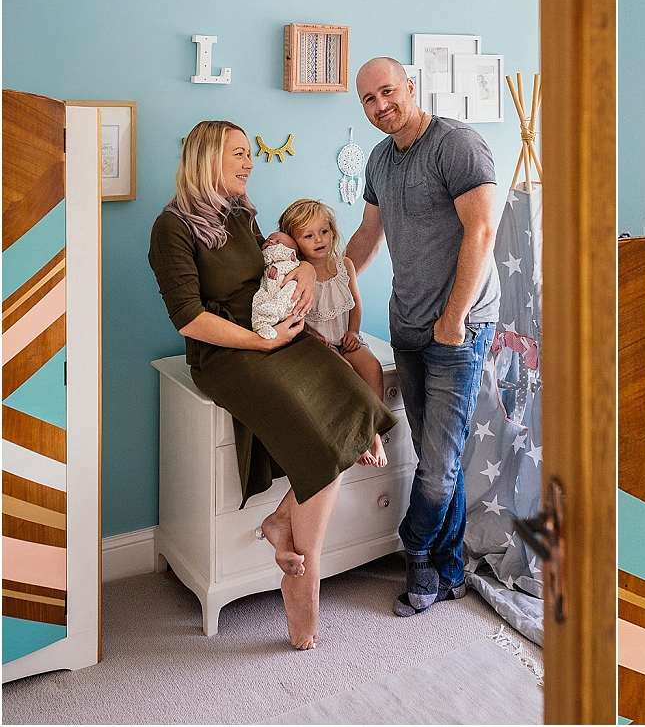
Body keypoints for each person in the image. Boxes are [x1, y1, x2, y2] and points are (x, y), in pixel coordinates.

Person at [148, 121, 398, 650]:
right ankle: (303, 578)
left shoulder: (240, 212)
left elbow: (271, 262)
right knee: (317, 433)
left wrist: (306, 274)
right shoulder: (170, 227)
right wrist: (259, 344)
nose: (249, 163)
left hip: (276, 327)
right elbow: (188, 318)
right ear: (208, 157)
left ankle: (284, 522)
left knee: (355, 401)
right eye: (239, 154)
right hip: (227, 349)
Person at [345, 56, 501, 617]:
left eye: (388, 91)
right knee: (444, 454)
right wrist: (322, 288)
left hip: (458, 329)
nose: (380, 105)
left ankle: (415, 554)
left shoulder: (456, 145)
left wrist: (454, 316)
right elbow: (367, 236)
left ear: (410, 86)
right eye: (367, 99)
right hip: (406, 324)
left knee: (436, 465)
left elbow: (482, 229)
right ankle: (451, 567)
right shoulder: (381, 160)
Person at [279, 199, 389, 469]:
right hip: (318, 345)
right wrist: (312, 340)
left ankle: (373, 432)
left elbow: (356, 303)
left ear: (332, 231)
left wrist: (353, 331)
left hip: (346, 336)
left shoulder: (344, 266)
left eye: (324, 231)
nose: (319, 239)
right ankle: (355, 437)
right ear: (294, 242)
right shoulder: (297, 275)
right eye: (308, 235)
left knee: (373, 368)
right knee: (345, 373)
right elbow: (293, 316)